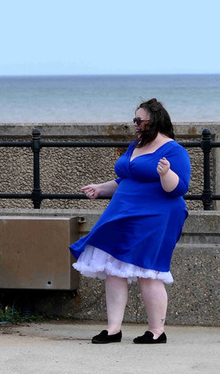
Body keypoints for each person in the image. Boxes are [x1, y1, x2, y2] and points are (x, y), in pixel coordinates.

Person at [69, 98, 191, 345]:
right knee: (114, 269)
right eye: (134, 119)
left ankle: (157, 331)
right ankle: (113, 329)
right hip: (123, 214)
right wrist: (100, 189)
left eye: (139, 120)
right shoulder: (134, 146)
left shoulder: (173, 150)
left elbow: (178, 188)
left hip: (156, 217)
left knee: (148, 271)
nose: (135, 124)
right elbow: (125, 178)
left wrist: (166, 173)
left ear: (154, 121)